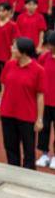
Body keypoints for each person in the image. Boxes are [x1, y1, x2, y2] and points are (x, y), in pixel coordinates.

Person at [0, 37, 45, 169]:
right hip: (8, 113)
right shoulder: (9, 65)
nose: (11, 49)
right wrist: (0, 108)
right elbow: (4, 86)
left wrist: (40, 119)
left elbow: (40, 95)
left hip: (27, 116)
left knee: (29, 150)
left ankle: (28, 176)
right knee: (10, 147)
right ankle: (13, 172)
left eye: (14, 47)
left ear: (23, 52)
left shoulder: (38, 70)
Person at [36, 31, 55, 168]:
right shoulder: (44, 57)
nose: (48, 46)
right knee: (44, 128)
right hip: (45, 101)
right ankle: (44, 154)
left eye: (50, 44)